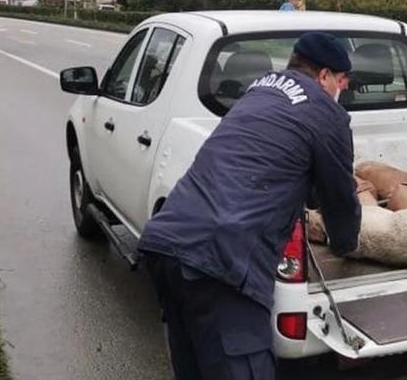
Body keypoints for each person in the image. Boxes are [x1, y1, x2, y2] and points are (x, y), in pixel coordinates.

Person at [137, 32, 361, 380]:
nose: (343, 88)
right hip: (221, 263)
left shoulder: (260, 89)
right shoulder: (326, 113)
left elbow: (270, 160)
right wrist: (345, 245)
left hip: (166, 245)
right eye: (342, 80)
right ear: (323, 76)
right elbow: (341, 204)